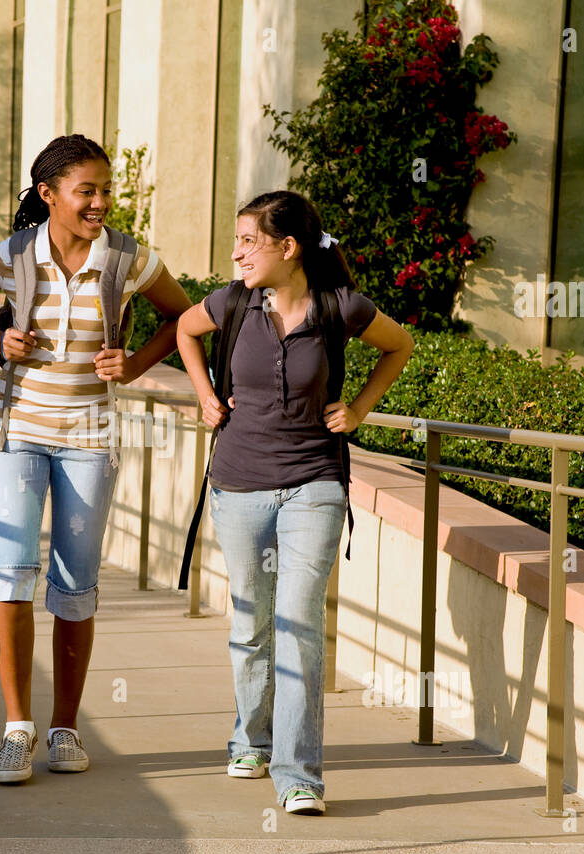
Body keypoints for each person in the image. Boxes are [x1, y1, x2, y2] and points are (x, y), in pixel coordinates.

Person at [0, 134, 192, 783]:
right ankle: (15, 730)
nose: (101, 203)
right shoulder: (12, 255)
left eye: (106, 190)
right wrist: (0, 339)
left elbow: (186, 318)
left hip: (90, 437)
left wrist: (136, 362)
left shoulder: (129, 259)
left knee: (75, 585)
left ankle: (65, 729)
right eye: (88, 191)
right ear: (49, 194)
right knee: (10, 575)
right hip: (17, 430)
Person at [175, 190, 413, 814]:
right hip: (238, 483)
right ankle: (250, 739)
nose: (236, 253)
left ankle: (299, 773)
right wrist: (205, 395)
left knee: (299, 623)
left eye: (248, 241)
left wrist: (358, 408)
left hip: (314, 483)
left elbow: (400, 345)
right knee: (252, 622)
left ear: (288, 248)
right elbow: (183, 329)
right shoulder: (232, 302)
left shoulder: (341, 307)